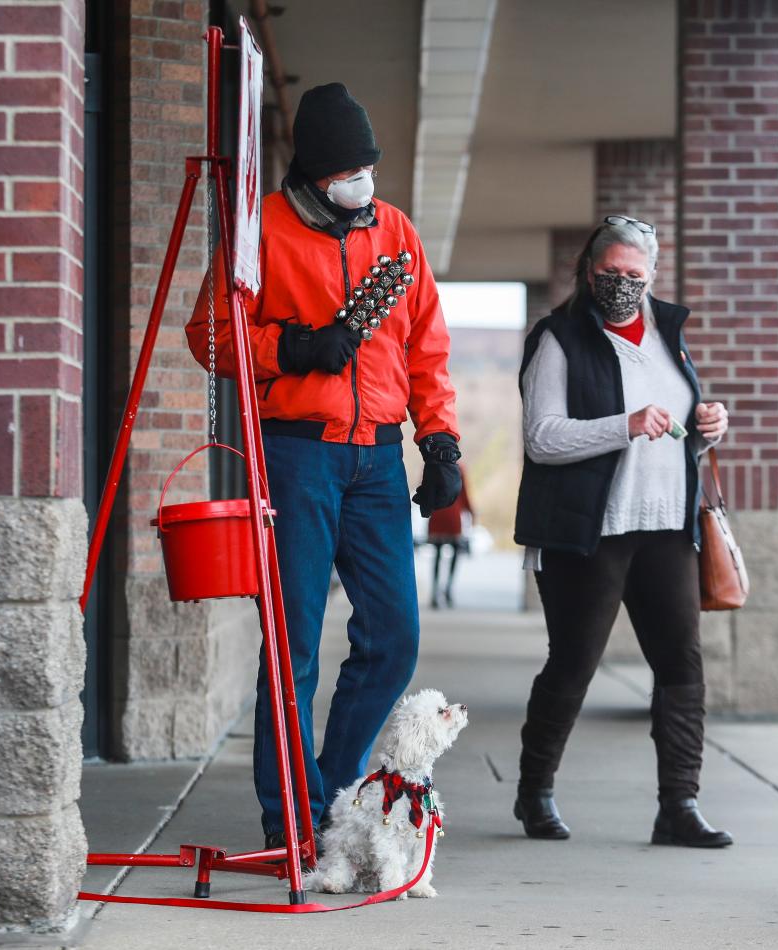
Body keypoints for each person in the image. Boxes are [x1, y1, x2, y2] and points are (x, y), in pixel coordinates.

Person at [186, 82, 461, 849]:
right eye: (347, 170)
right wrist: (295, 347)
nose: (362, 182)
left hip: (375, 458)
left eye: (367, 167)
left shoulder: (396, 232)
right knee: (293, 642)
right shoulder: (261, 231)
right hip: (296, 453)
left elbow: (425, 349)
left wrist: (440, 441)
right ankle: (289, 822)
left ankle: (329, 792)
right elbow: (209, 335)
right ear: (313, 174)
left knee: (395, 637)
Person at [512, 215, 732, 847]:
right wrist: (623, 424)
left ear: (652, 276)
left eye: (634, 275)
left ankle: (679, 806)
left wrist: (711, 424)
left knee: (682, 666)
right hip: (590, 531)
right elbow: (542, 438)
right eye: (610, 273)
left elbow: (681, 427)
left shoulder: (669, 333)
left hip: (667, 524)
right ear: (588, 271)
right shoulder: (559, 339)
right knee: (574, 664)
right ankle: (536, 792)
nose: (621, 284)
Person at [426, 464, 474, 609]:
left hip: (437, 513)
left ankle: (435, 592)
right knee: (455, 552)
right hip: (453, 513)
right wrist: (471, 512)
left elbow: (426, 489)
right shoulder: (460, 469)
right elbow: (464, 494)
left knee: (437, 555)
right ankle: (448, 589)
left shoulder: (433, 466)